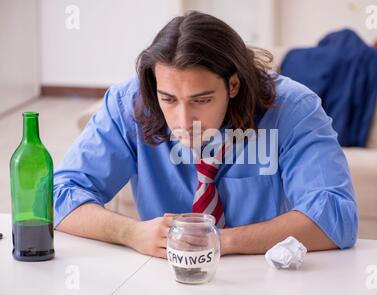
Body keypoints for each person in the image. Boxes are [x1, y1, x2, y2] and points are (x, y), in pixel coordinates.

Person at [54, 11, 358, 258]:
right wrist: (131, 233)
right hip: (160, 275)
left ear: (233, 85)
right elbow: (59, 195)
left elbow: (336, 216)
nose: (184, 121)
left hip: (261, 270)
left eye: (201, 100)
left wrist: (218, 242)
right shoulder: (128, 103)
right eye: (169, 99)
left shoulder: (294, 108)